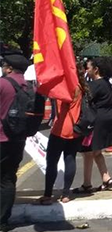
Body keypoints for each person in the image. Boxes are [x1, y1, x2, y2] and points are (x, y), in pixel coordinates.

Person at [36, 66, 87, 204]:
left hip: (60, 129)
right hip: (76, 129)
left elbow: (52, 97)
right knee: (70, 159)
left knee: (52, 161)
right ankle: (66, 194)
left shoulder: (64, 88)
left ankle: (48, 194)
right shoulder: (80, 86)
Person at [74, 57, 112, 194]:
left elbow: (82, 97)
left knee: (87, 152)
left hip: (96, 120)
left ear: (95, 69)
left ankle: (87, 184)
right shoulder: (106, 83)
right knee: (96, 152)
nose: (86, 70)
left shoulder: (95, 84)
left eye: (87, 68)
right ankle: (107, 178)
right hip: (107, 118)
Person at [0, 49, 32, 231]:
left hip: (1, 138)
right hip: (18, 139)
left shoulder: (2, 84)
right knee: (8, 178)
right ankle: (3, 221)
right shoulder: (28, 87)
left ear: (10, 68)